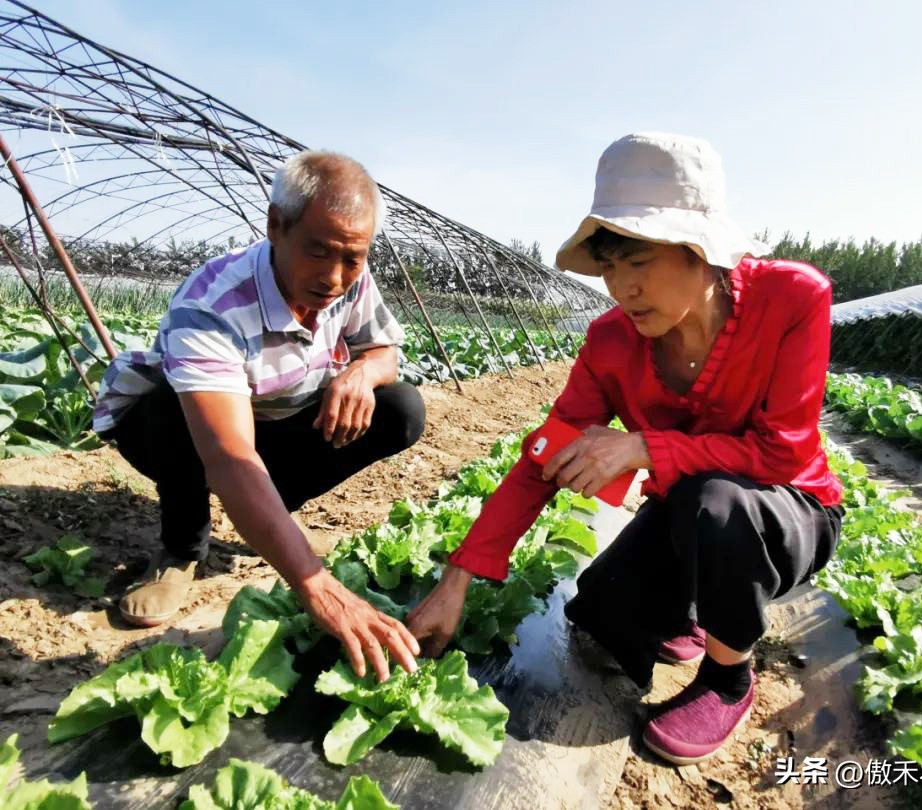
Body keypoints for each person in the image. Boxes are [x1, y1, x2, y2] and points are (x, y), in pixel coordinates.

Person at [407, 132, 844, 764]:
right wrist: (459, 577)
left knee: (716, 503)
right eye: (610, 267)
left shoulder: (792, 298)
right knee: (600, 614)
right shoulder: (611, 341)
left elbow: (780, 453)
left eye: (638, 263)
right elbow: (547, 457)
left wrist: (642, 446)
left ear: (702, 251)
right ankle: (698, 608)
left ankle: (728, 678)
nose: (621, 288)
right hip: (682, 513)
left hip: (784, 509)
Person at [94, 151, 424, 682]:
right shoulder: (212, 305)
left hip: (277, 418)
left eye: (352, 258)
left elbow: (384, 350)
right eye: (318, 251)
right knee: (173, 412)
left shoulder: (351, 280)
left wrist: (360, 375)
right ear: (276, 225)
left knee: (400, 409)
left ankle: (269, 519)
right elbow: (229, 455)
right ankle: (180, 549)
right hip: (182, 430)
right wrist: (316, 585)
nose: (335, 277)